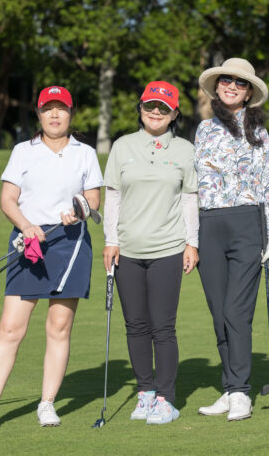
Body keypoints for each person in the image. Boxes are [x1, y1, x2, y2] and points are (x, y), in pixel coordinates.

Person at [0, 86, 104, 433]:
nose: (55, 115)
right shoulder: (22, 151)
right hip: (28, 241)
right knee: (10, 327)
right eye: (48, 109)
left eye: (61, 109)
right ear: (39, 114)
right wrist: (26, 225)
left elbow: (93, 200)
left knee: (59, 327)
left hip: (70, 243)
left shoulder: (85, 153)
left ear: (71, 113)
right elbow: (8, 199)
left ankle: (47, 403)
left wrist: (79, 210)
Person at [102, 81, 199, 425]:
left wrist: (192, 243)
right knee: (136, 325)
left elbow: (189, 199)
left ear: (174, 114)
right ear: (140, 109)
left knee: (163, 327)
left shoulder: (185, 150)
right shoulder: (122, 146)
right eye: (149, 106)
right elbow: (113, 197)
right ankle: (145, 391)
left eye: (163, 108)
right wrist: (111, 240)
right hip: (127, 249)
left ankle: (166, 399)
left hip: (168, 248)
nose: (155, 112)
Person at [194, 58, 269, 421]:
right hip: (209, 225)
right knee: (219, 314)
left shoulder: (258, 132)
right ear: (217, 87)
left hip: (247, 224)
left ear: (248, 93)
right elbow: (195, 185)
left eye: (239, 83)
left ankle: (241, 392)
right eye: (226, 80)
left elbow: (265, 186)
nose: (231, 86)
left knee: (236, 311)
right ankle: (230, 389)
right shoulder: (203, 130)